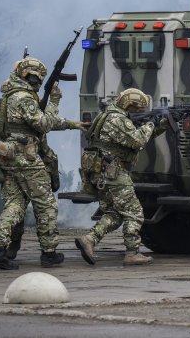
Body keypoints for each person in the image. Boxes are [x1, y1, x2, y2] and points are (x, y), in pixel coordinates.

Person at [0, 58, 84, 270]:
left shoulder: (9, 96)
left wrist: (71, 124)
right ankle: (49, 253)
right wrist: (55, 101)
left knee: (15, 205)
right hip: (27, 159)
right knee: (46, 204)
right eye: (36, 77)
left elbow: (32, 124)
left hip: (10, 158)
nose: (38, 81)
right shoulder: (24, 97)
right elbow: (43, 123)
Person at [74, 88, 167, 266]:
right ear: (127, 103)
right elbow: (138, 141)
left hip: (105, 172)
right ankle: (132, 253)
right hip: (113, 172)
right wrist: (151, 123)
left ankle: (89, 239)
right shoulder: (117, 119)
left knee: (115, 214)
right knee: (135, 213)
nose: (138, 111)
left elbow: (137, 138)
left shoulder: (109, 115)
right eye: (135, 107)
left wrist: (160, 125)